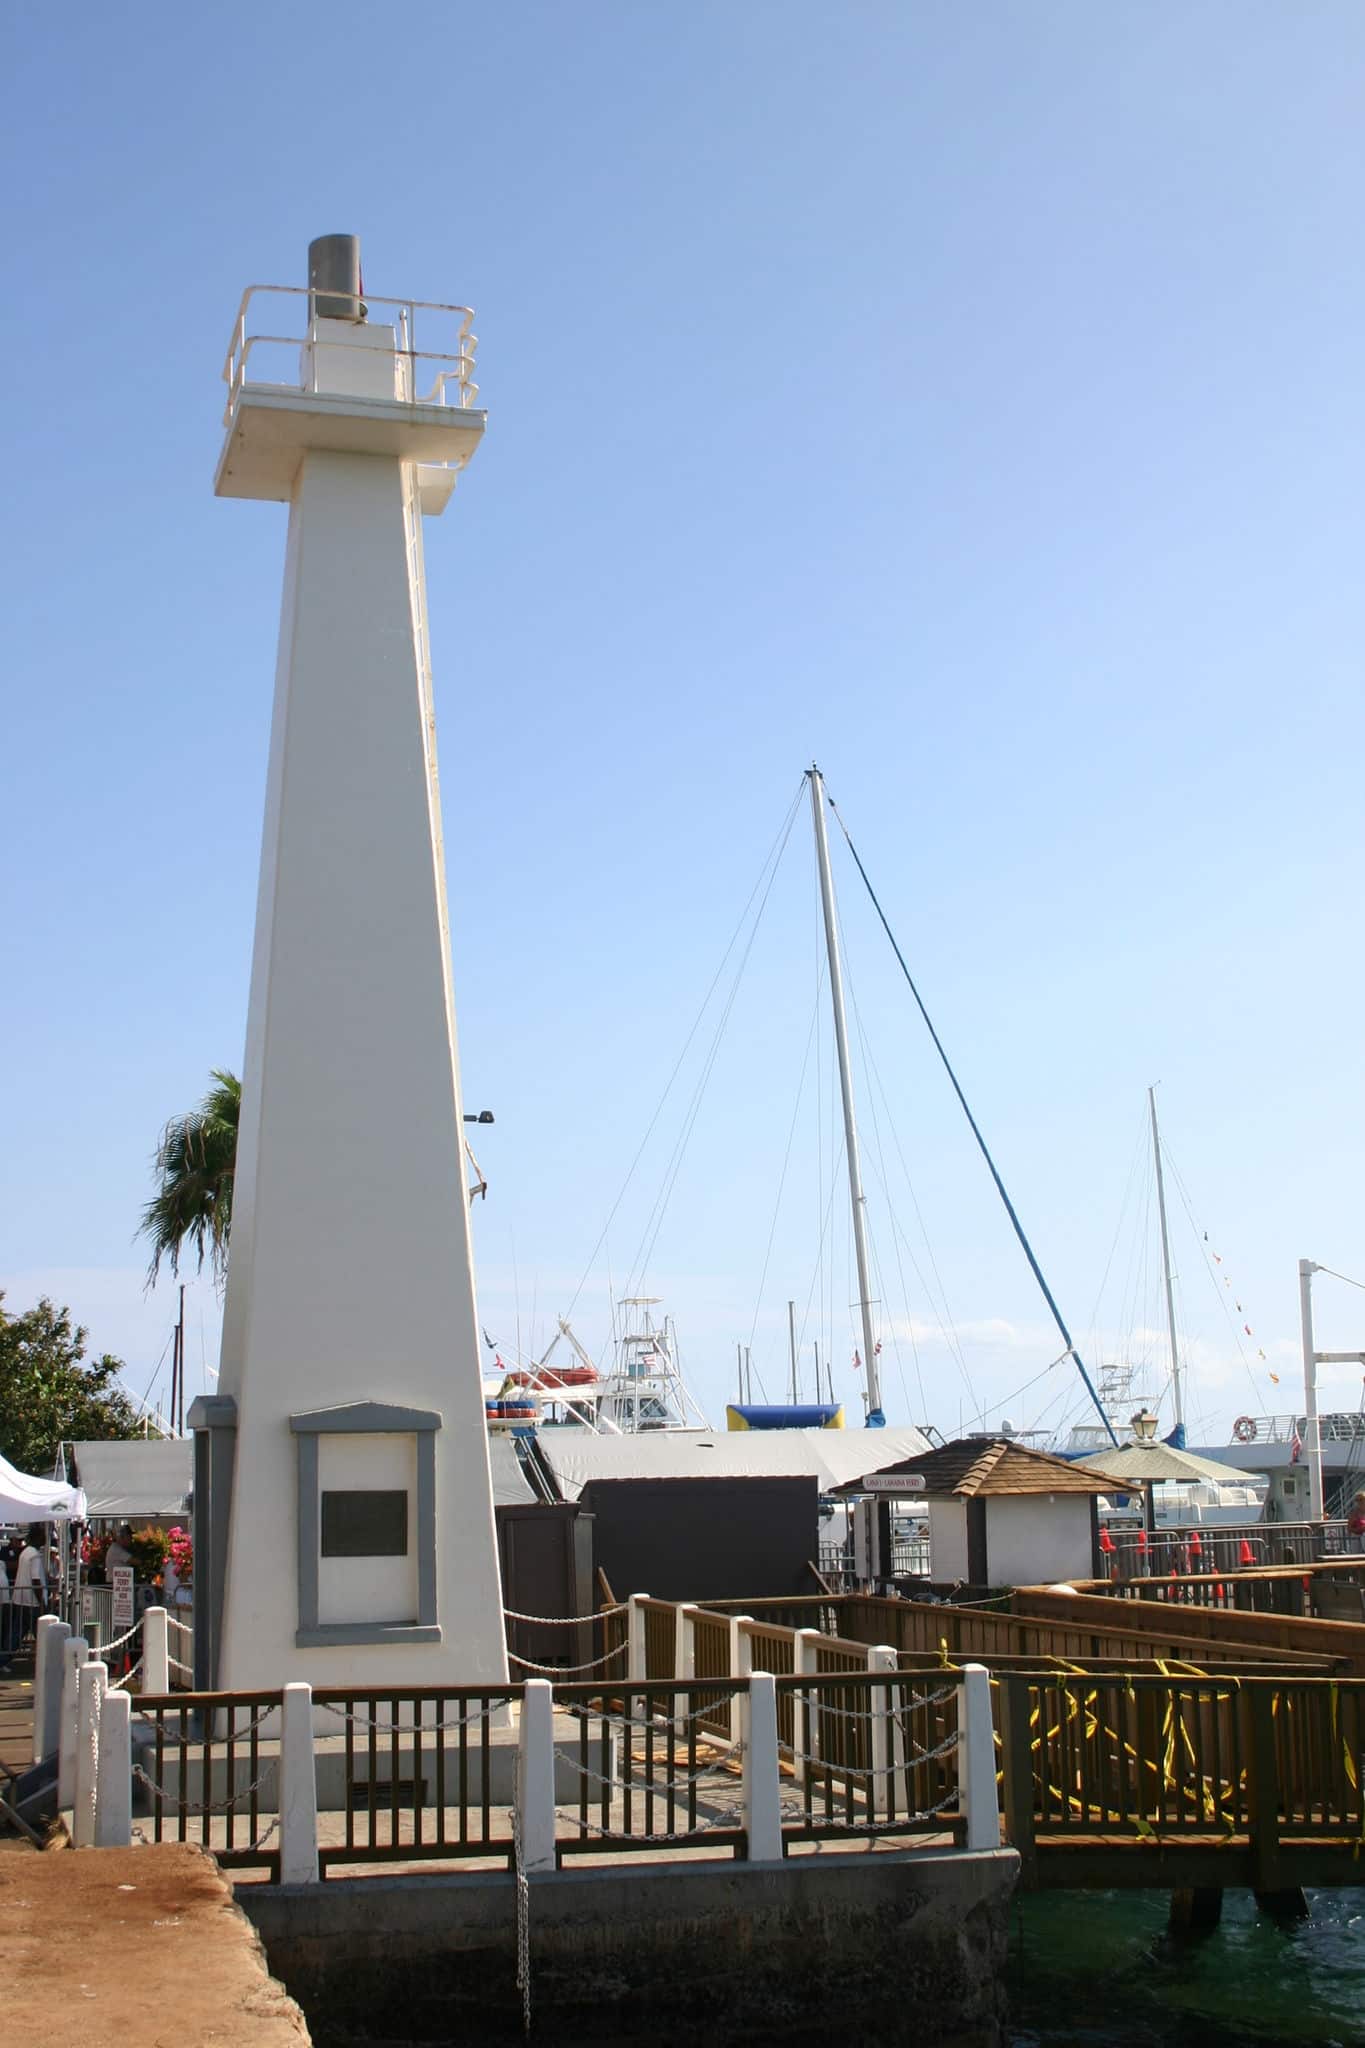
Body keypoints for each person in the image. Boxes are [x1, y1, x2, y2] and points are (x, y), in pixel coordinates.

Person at [13, 1524, 49, 1639]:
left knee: (17, 1633)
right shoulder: (34, 1555)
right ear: (37, 1537)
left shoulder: (25, 1552)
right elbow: (35, 1580)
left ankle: (5, 1656)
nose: (45, 1539)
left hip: (20, 1600)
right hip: (32, 1602)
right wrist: (42, 1602)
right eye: (43, 1536)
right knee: (40, 1634)